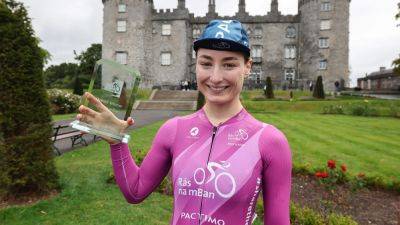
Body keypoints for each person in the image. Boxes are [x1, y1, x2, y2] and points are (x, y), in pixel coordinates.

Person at [76, 20, 292, 225]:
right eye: (206, 63)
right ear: (195, 65)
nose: (215, 77)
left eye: (229, 65)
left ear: (247, 66)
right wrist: (117, 141)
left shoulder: (269, 141)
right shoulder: (174, 130)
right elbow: (135, 191)